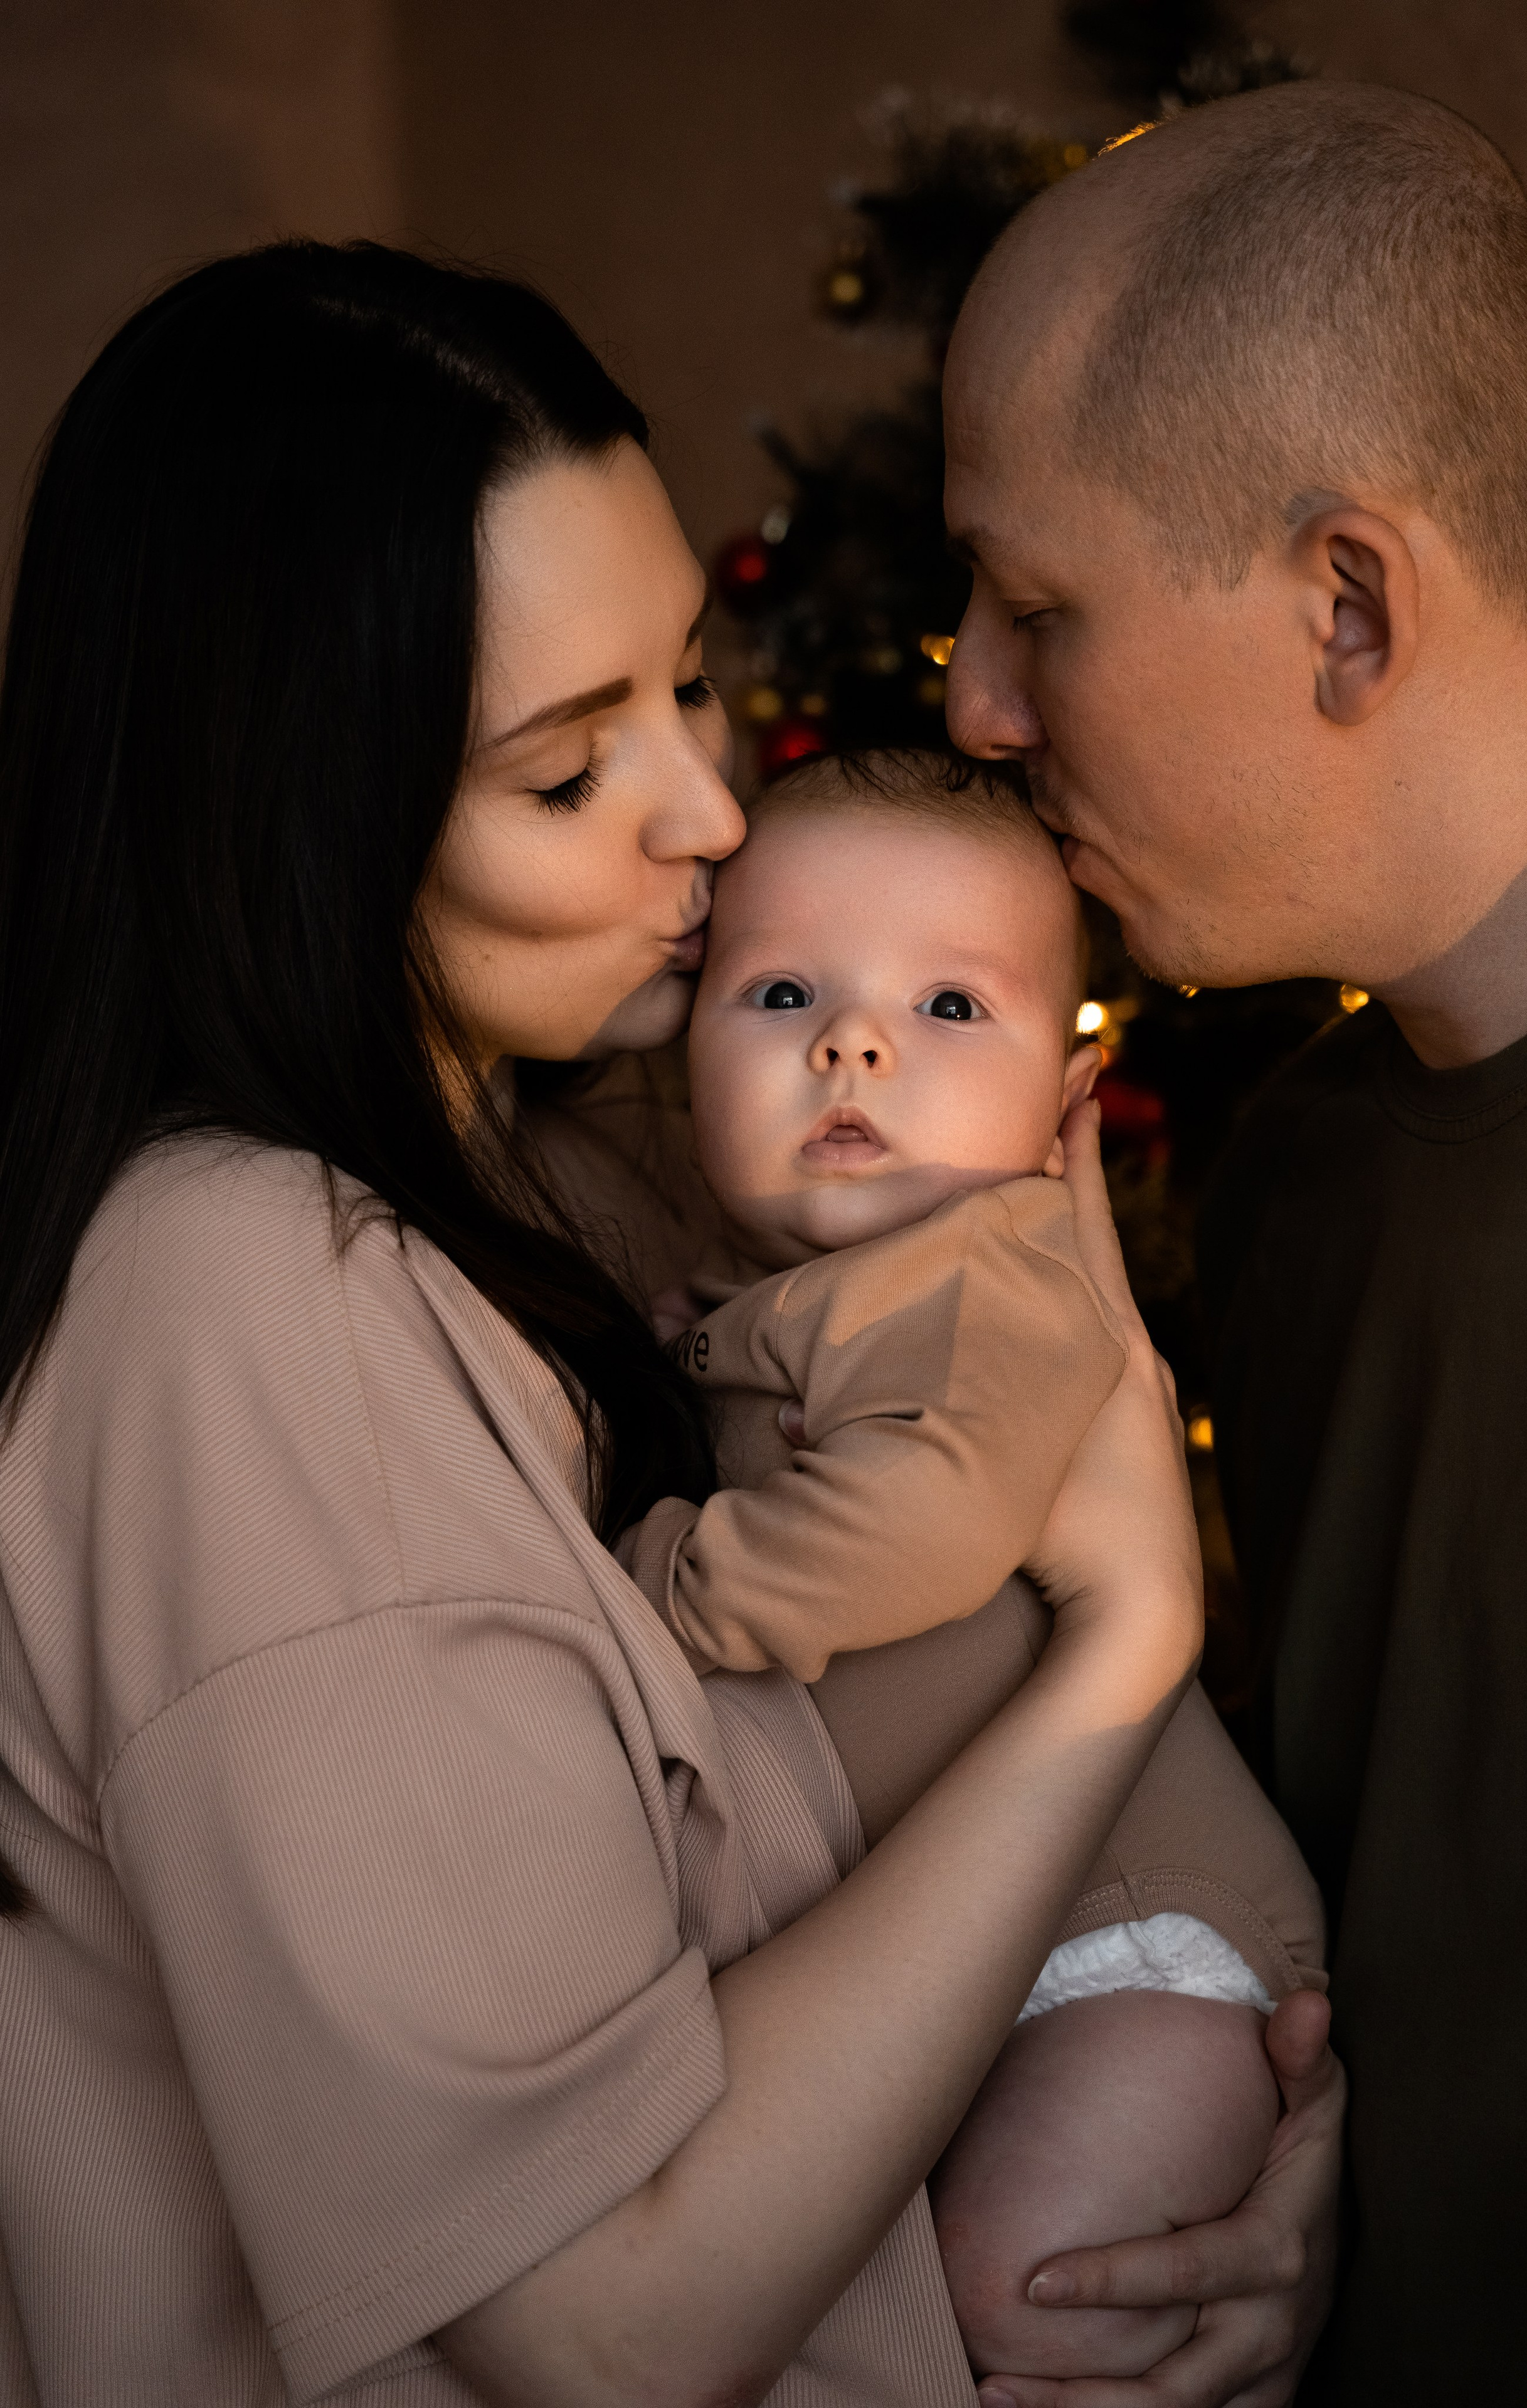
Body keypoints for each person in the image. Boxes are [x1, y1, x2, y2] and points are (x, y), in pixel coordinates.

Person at [0, 239, 1212, 2408]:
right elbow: (605, 2316)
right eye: (569, 772)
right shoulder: (243, 1311)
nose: (712, 811)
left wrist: (1207, 2191)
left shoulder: (597, 1148)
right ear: (298, 818)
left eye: (690, 680)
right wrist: (1121, 1650)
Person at [943, 71, 1527, 2408]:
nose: (973, 696)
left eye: (1041, 605)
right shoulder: (1289, 1176)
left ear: (1349, 601)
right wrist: (1307, 2182)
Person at [631, 742, 1326, 2389]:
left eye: (952, 1007)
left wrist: (666, 1584)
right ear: (688, 1053)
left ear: (1067, 1099)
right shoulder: (790, 1293)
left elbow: (921, 1518)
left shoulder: (992, 1266)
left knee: (1028, 2297)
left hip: (1125, 1939)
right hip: (970, 1936)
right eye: (784, 988)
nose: (855, 1041)